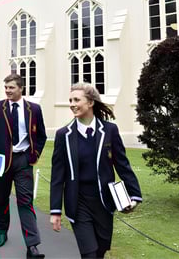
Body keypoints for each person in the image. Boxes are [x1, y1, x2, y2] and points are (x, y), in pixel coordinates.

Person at [50, 83, 143, 258]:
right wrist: (55, 210)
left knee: (100, 250)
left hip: (104, 201)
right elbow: (57, 175)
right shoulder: (64, 135)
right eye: (70, 100)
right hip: (78, 202)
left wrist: (134, 195)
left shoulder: (110, 130)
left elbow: (122, 164)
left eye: (76, 100)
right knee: (89, 253)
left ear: (90, 102)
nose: (72, 104)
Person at [0, 74, 47, 258]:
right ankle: (1, 233)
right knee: (1, 199)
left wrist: (34, 156)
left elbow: (41, 136)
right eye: (6, 87)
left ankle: (32, 245)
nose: (8, 91)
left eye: (11, 87)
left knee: (25, 201)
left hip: (23, 161)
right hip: (2, 162)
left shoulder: (34, 109)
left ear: (21, 88)